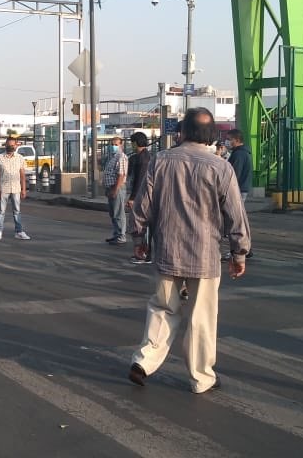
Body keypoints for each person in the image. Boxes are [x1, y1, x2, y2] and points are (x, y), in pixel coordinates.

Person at [126, 107, 250, 393]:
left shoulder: (161, 161)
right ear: (210, 136)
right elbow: (235, 214)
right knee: (201, 317)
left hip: (166, 251)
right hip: (204, 256)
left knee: (162, 308)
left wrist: (138, 239)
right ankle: (201, 378)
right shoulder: (221, 167)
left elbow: (142, 207)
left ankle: (144, 362)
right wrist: (239, 253)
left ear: (182, 132)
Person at [223, 129, 255, 261]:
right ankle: (245, 248)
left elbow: (233, 175)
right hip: (242, 189)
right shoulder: (242, 153)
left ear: (236, 140)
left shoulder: (239, 155)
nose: (227, 141)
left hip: (237, 190)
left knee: (234, 221)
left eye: (229, 139)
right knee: (238, 220)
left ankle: (240, 249)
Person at [0, 137, 30, 241]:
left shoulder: (20, 158)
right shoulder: (0, 157)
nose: (11, 147)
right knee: (1, 211)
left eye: (13, 145)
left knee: (17, 211)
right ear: (6, 145)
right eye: (9, 145)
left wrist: (24, 189)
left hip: (16, 189)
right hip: (3, 188)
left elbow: (22, 175)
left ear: (16, 145)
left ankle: (19, 231)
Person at [127, 132, 152, 264]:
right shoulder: (144, 156)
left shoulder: (143, 159)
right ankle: (144, 252)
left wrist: (132, 197)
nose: (131, 145)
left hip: (142, 196)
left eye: (132, 142)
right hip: (144, 195)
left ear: (136, 143)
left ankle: (142, 253)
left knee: (138, 223)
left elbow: (140, 180)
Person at [102, 136, 129, 245]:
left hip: (117, 188)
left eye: (116, 145)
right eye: (112, 144)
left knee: (118, 213)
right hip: (110, 188)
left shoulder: (121, 157)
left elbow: (121, 175)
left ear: (121, 145)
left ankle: (121, 236)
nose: (113, 147)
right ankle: (116, 234)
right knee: (113, 213)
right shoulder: (112, 157)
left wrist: (115, 190)